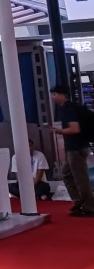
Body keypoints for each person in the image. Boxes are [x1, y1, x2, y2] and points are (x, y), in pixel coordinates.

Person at [50, 84, 94, 216]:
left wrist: (59, 131)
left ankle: (89, 206)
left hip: (76, 148)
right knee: (67, 174)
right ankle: (79, 202)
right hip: (74, 147)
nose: (53, 97)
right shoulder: (70, 108)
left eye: (54, 94)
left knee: (80, 178)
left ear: (62, 95)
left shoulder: (69, 110)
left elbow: (75, 129)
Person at [9, 136, 52, 200]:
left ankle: (25, 196)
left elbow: (39, 175)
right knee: (10, 187)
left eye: (31, 146)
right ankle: (34, 196)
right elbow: (18, 176)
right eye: (27, 146)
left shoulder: (40, 155)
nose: (30, 148)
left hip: (38, 182)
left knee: (44, 188)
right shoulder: (15, 157)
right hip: (24, 184)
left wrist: (30, 187)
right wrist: (25, 186)